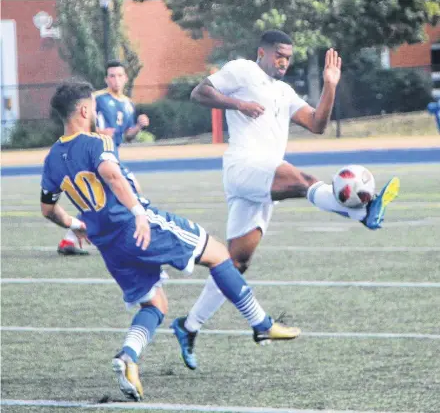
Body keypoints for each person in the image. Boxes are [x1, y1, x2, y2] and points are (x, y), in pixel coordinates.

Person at [41, 80, 301, 401]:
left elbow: (48, 208)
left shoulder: (52, 157)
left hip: (108, 245)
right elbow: (110, 173)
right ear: (84, 110)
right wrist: (137, 211)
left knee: (155, 303)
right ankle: (260, 322)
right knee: (218, 253)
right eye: (93, 107)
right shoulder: (98, 142)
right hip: (136, 226)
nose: (96, 112)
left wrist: (74, 223)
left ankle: (128, 357)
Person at [170, 29, 400, 370]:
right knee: (302, 180)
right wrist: (239, 103)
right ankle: (360, 214)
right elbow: (199, 92)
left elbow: (317, 123)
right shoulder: (242, 69)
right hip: (245, 166)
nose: (284, 61)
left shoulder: (284, 92)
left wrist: (331, 84)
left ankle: (188, 326)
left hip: (261, 178)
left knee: (234, 263)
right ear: (261, 52)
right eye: (279, 54)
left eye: (288, 56)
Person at [57, 60, 150, 255]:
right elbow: (78, 122)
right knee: (131, 190)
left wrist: (139, 126)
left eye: (119, 75)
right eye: (112, 76)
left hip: (111, 156)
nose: (116, 80)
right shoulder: (96, 99)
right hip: (93, 154)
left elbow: (127, 136)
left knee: (101, 200)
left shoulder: (128, 103)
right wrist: (99, 131)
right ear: (106, 79)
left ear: (125, 78)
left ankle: (70, 239)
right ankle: (135, 236)